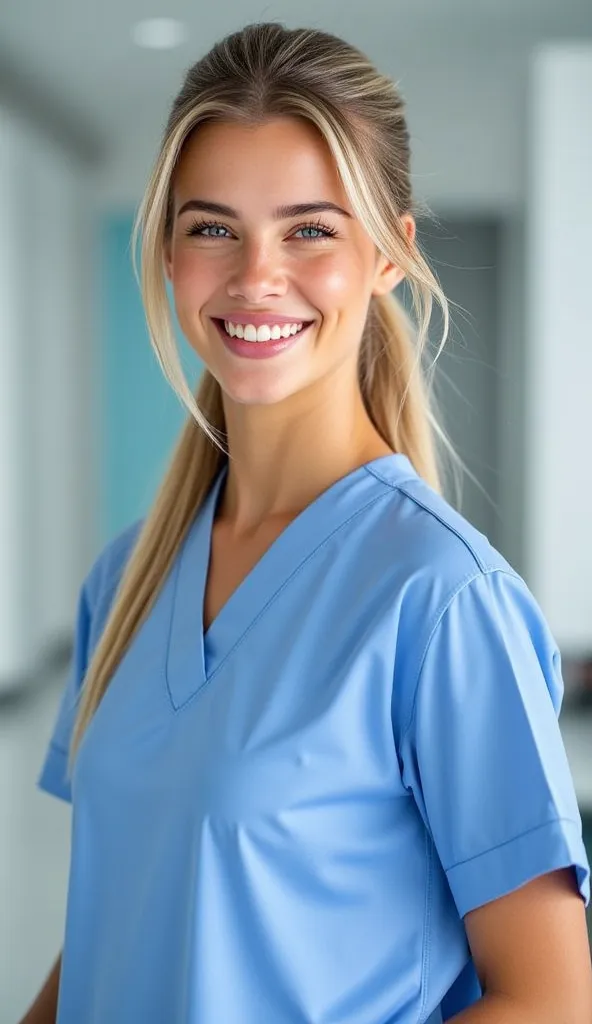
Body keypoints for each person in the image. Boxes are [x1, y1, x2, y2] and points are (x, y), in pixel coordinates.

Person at [21, 21, 592, 1024]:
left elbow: (546, 999)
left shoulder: (442, 599)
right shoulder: (126, 580)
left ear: (387, 256)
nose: (254, 276)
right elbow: (124, 914)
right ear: (166, 251)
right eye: (211, 227)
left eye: (309, 229)